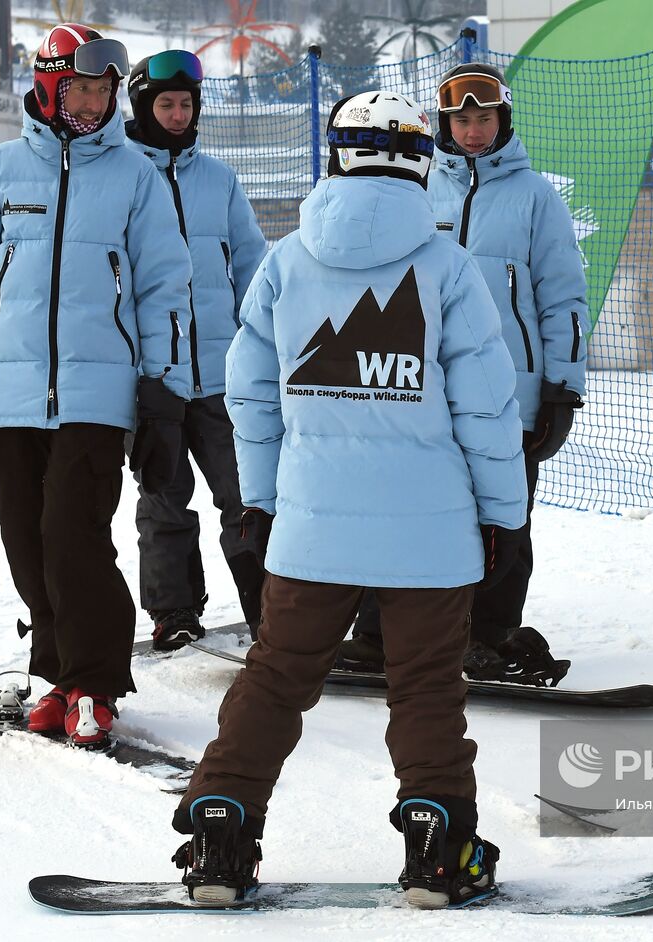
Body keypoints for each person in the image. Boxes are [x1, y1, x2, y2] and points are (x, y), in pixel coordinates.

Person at [170, 91, 528, 908]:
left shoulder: (288, 263)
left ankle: (222, 831)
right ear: (420, 162)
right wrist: (503, 515)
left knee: (278, 676)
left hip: (312, 527)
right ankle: (439, 849)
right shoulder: (447, 268)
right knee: (427, 686)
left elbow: (249, 396)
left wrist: (257, 502)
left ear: (338, 157)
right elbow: (486, 408)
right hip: (430, 533)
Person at [0, 24, 194, 749]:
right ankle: (56, 676)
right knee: (25, 541)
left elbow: (167, 289)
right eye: (82, 87)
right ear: (49, 86)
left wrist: (163, 397)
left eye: (106, 90)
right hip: (10, 394)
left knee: (71, 538)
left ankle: (98, 685)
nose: (96, 101)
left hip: (97, 395)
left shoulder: (135, 177)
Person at [335, 62, 586, 686]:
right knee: (405, 507)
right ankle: (377, 632)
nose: (473, 132)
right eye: (461, 120)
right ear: (443, 126)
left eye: (484, 118)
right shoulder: (417, 190)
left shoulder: (535, 197)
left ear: (504, 120)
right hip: (425, 388)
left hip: (514, 393)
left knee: (504, 514)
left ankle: (491, 632)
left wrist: (562, 387)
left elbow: (565, 296)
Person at [125, 50, 269, 648]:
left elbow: (255, 266)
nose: (179, 115)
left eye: (186, 104)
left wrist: (260, 344)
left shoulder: (219, 179)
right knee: (165, 499)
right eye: (167, 104)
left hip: (220, 374)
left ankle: (269, 611)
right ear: (142, 106)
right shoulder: (119, 175)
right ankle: (173, 613)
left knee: (247, 494)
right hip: (152, 380)